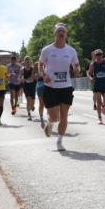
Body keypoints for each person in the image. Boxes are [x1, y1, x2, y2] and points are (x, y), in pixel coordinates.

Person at [39, 23, 81, 151]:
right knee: (54, 117)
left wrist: (77, 69)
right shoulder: (47, 50)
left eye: (63, 31)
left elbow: (77, 65)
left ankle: (59, 141)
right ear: (55, 34)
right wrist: (44, 75)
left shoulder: (71, 51)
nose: (61, 33)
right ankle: (50, 123)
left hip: (66, 87)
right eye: (59, 31)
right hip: (51, 87)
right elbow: (40, 65)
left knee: (64, 116)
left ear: (66, 35)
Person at [87, 49, 105, 125]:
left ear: (102, 55)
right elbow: (88, 73)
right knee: (98, 102)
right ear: (95, 56)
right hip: (97, 85)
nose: (98, 56)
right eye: (97, 55)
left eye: (100, 55)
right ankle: (99, 118)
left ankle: (104, 107)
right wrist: (91, 78)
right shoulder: (93, 64)